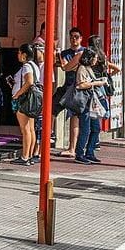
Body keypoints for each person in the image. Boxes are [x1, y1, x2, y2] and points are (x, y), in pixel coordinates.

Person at [73, 48, 109, 164]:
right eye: (95, 58)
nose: (96, 60)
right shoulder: (82, 68)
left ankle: (90, 152)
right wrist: (96, 83)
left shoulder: (88, 68)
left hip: (91, 103)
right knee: (85, 129)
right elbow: (80, 85)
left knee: (96, 128)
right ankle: (79, 153)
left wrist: (98, 81)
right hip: (85, 103)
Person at [87, 35, 119, 151]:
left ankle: (94, 140)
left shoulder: (91, 56)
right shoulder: (103, 57)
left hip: (93, 85)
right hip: (102, 87)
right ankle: (96, 140)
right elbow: (117, 69)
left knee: (92, 112)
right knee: (99, 111)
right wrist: (108, 77)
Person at [10, 44, 40, 165]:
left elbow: (29, 82)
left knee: (25, 129)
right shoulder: (34, 66)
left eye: (19, 52)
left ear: (24, 55)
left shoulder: (27, 66)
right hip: (31, 100)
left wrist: (17, 94)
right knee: (31, 129)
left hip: (24, 100)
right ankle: (30, 155)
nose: (18, 55)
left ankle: (25, 156)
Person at [58, 27, 85, 157]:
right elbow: (65, 67)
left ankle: (73, 148)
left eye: (76, 37)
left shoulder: (84, 52)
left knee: (76, 118)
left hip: (79, 88)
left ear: (81, 38)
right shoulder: (65, 53)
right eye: (72, 37)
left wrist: (70, 66)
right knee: (53, 109)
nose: (74, 39)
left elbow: (69, 67)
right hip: (67, 87)